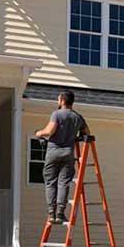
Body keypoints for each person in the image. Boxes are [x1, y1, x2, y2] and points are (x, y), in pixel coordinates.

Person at [34, 90, 90, 224]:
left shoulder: (57, 114)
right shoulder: (78, 117)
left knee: (50, 182)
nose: (57, 101)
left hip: (53, 152)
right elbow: (87, 132)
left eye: (58, 99)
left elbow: (49, 131)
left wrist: (38, 133)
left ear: (63, 101)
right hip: (68, 153)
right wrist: (75, 135)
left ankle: (51, 213)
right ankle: (60, 213)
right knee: (63, 182)